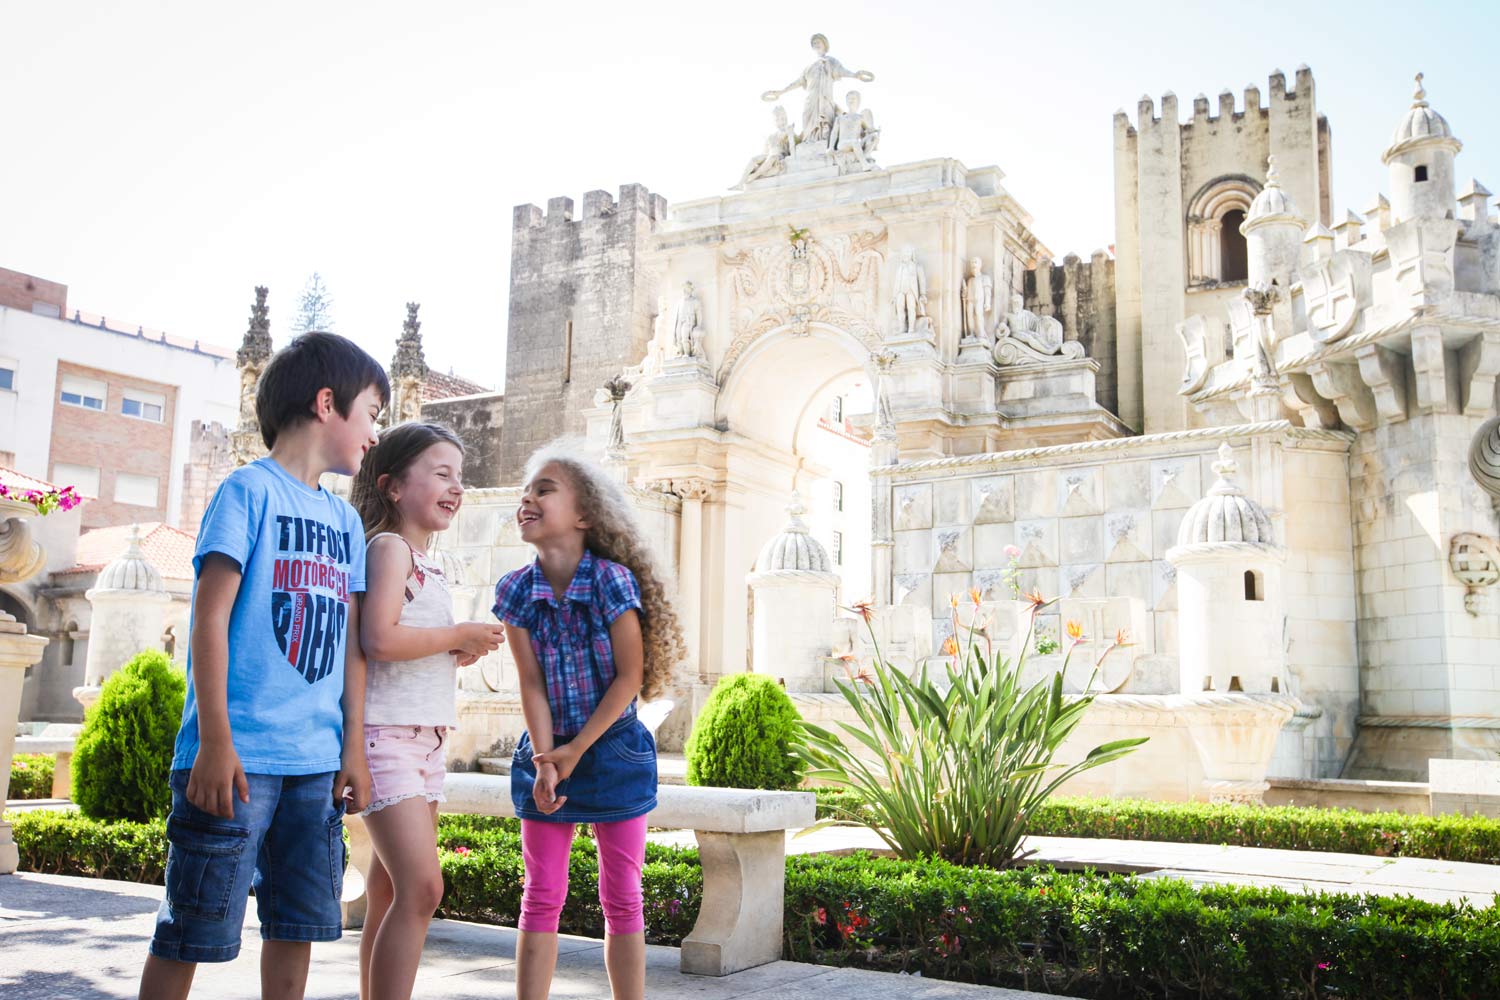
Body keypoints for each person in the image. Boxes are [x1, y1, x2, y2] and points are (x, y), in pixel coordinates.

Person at [138, 332, 389, 1000]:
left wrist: (351, 750)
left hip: (314, 764)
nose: (375, 432)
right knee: (191, 926)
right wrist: (215, 741)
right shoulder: (246, 491)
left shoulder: (344, 522)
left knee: (298, 928)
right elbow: (209, 617)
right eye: (371, 412)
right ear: (327, 402)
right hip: (236, 762)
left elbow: (351, 649)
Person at [492, 443, 686, 1000]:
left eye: (545, 489)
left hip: (613, 750)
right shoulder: (516, 590)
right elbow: (530, 682)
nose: (528, 497)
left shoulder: (610, 582)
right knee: (540, 893)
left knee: (622, 895)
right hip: (546, 751)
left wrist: (576, 751)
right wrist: (546, 757)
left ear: (584, 516)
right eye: (526, 490)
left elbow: (629, 678)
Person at [348, 421, 505, 1000]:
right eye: (441, 473)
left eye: (459, 477)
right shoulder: (388, 548)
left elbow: (405, 645)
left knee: (389, 893)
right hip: (387, 737)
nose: (456, 487)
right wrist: (455, 633)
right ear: (392, 487)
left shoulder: (426, 562)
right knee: (422, 889)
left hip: (426, 740)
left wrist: (454, 650)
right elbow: (379, 640)